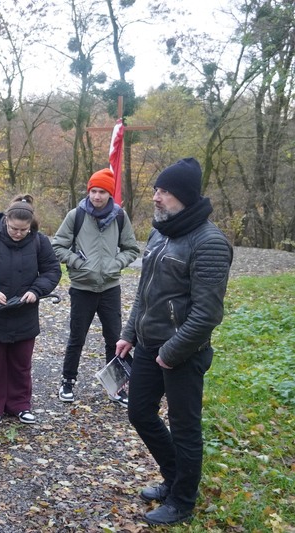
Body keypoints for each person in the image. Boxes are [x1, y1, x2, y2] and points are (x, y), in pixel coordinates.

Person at [115, 158, 232, 526]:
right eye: (155, 190)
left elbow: (207, 314)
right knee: (139, 413)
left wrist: (171, 352)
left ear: (183, 196)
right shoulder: (160, 232)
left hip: (182, 353)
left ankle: (182, 499)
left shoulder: (210, 242)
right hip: (149, 346)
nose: (156, 197)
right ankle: (173, 477)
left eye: (163, 191)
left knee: (185, 427)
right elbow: (146, 292)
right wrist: (129, 333)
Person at [0, 195, 61, 424]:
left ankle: (19, 404)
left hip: (24, 314)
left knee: (21, 364)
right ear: (6, 221)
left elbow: (52, 271)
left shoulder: (40, 241)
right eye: (14, 228)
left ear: (31, 226)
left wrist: (37, 290)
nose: (18, 233)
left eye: (23, 230)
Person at [51, 168, 140, 405]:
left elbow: (132, 249)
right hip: (82, 288)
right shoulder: (76, 215)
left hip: (110, 287)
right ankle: (67, 382)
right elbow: (58, 246)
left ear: (109, 194)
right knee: (76, 337)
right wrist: (78, 262)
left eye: (102, 192)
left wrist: (115, 263)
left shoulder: (120, 216)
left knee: (114, 339)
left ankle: (117, 388)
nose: (97, 196)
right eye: (93, 191)